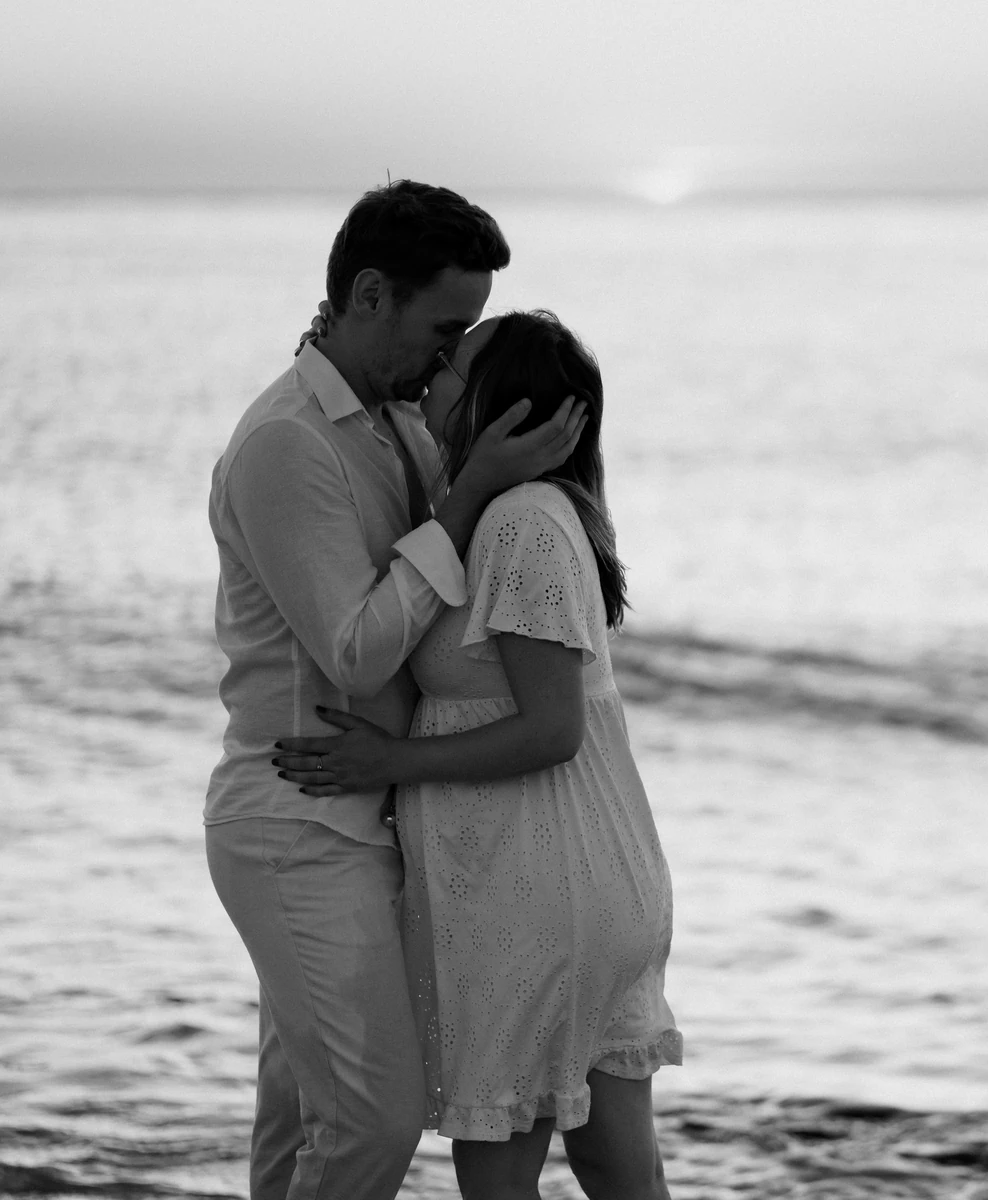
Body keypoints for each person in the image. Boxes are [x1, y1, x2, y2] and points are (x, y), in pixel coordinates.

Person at [205, 182, 588, 1200]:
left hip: (376, 819)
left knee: (300, 1129)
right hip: (301, 820)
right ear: (369, 294)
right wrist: (464, 501)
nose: (448, 355)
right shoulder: (291, 442)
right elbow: (356, 653)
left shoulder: (400, 428)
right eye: (444, 327)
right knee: (374, 1123)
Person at [273, 310, 682, 1200]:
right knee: (620, 1166)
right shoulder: (529, 512)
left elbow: (551, 730)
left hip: (537, 888)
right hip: (582, 876)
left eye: (457, 365)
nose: (437, 373)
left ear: (504, 410)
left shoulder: (522, 525)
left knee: (499, 1175)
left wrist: (390, 763)